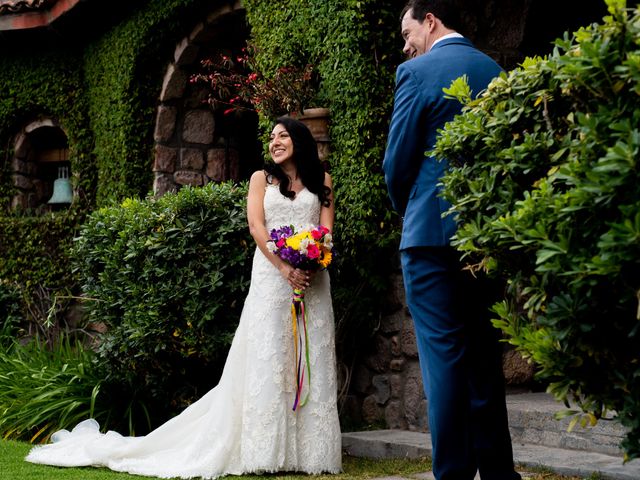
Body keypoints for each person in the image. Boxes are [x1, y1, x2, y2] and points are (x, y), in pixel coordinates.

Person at [26, 117, 342, 479]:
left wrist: (312, 263)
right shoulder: (261, 179)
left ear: (300, 140)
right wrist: (286, 268)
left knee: (310, 353)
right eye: (271, 137)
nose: (275, 142)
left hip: (313, 283)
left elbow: (325, 230)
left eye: (282, 135)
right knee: (270, 357)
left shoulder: (323, 182)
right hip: (272, 279)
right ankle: (267, 451)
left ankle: (309, 454)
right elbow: (257, 227)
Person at [383, 1, 521, 480]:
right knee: (484, 357)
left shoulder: (416, 73)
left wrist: (414, 210)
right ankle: (500, 474)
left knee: (442, 362)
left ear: (431, 21)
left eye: (407, 31)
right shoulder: (496, 72)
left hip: (429, 241)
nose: (405, 45)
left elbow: (396, 164)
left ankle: (455, 476)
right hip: (485, 238)